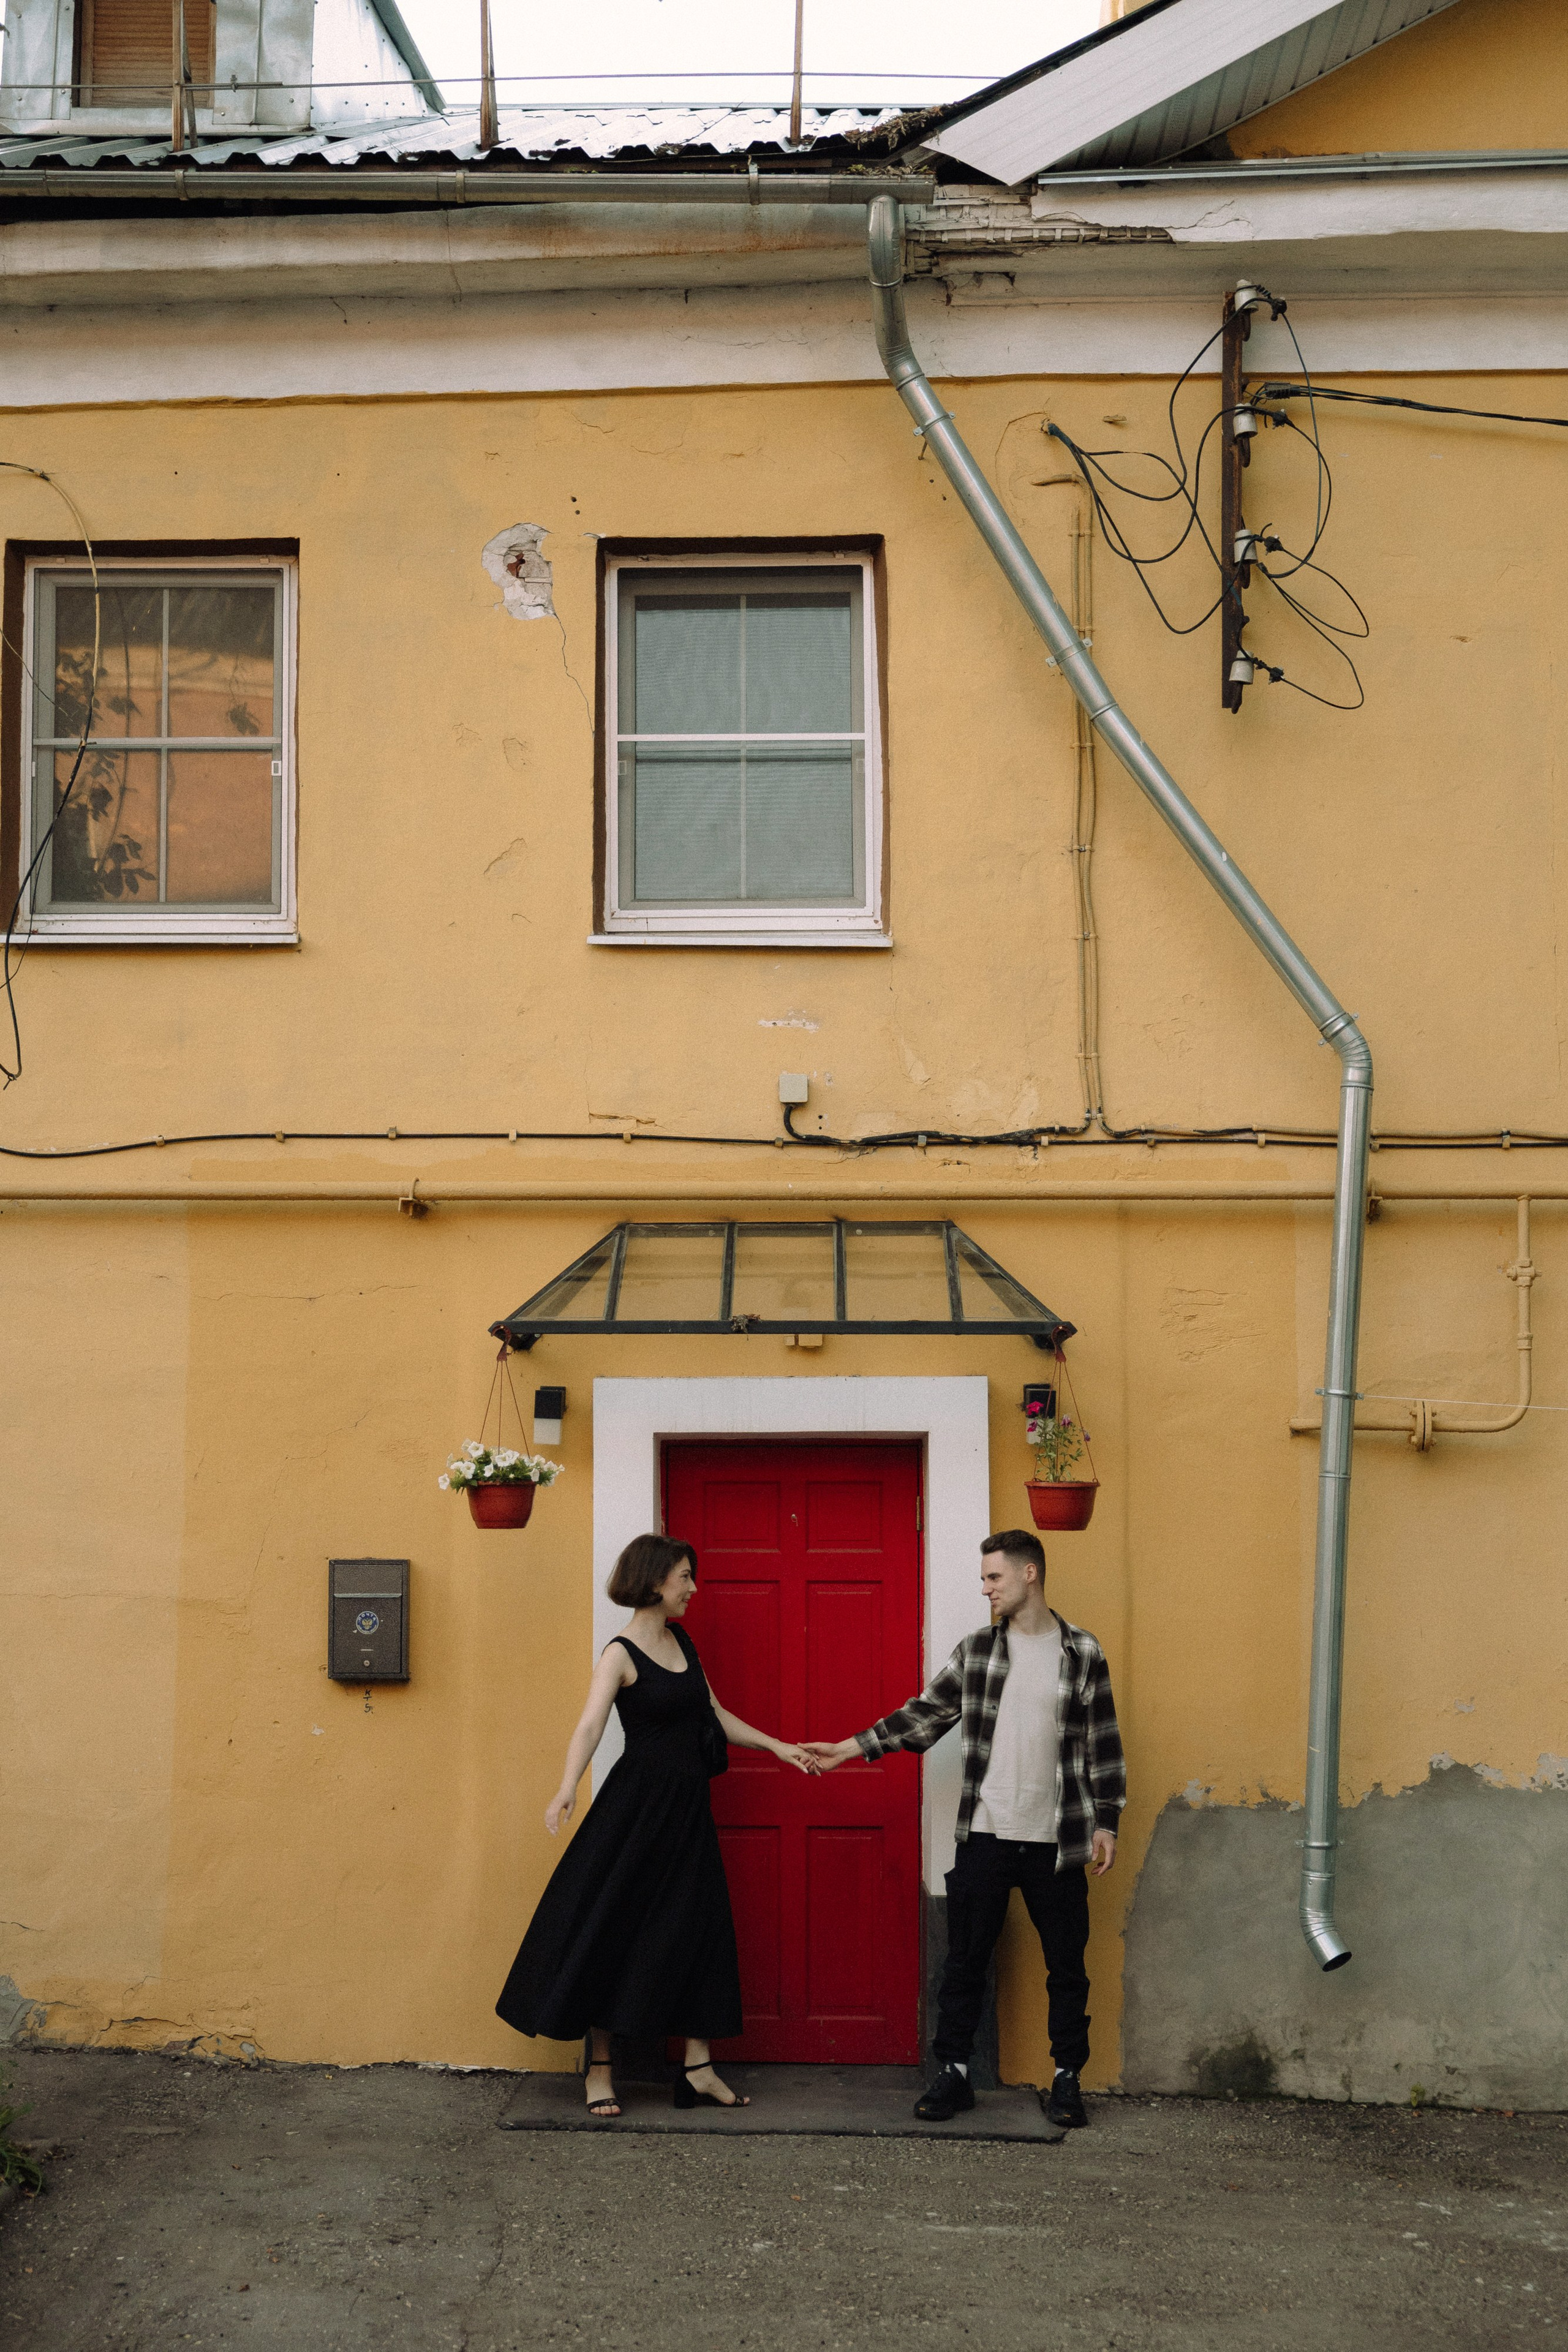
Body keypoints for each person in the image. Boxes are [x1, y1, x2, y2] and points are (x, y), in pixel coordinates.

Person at [806, 1528, 1124, 2129]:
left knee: (1066, 1967)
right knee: (964, 1962)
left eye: (993, 1577)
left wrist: (1106, 1821)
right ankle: (953, 2073)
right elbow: (924, 1716)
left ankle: (1067, 2079)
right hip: (986, 1832)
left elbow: (1102, 1742)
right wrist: (850, 1748)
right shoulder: (978, 1651)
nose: (985, 1589)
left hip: (1057, 1841)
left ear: (1029, 1573)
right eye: (984, 1579)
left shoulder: (1082, 1651)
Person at [496, 1531, 817, 2119]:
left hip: (688, 1811)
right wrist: (567, 1787)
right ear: (653, 1580)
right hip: (637, 1812)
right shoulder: (619, 1654)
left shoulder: (682, 1641)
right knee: (613, 1926)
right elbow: (590, 1726)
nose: (693, 1588)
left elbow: (714, 1714)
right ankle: (600, 2067)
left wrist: (779, 1747)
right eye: (684, 1577)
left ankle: (698, 2068)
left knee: (700, 1927)